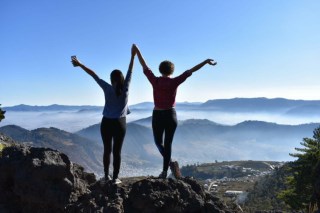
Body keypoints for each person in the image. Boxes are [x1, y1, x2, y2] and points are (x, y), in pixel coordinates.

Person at [133, 44, 217, 179]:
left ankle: (169, 164)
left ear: (160, 70)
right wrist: (205, 62)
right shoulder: (175, 82)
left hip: (158, 115)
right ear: (172, 71)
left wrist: (137, 51)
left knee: (158, 142)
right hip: (171, 115)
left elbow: (144, 66)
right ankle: (166, 171)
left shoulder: (155, 81)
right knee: (168, 143)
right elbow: (191, 71)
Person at [71, 45, 136, 184]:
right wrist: (133, 56)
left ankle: (106, 176)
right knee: (117, 152)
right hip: (120, 123)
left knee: (107, 150)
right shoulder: (125, 89)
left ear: (111, 79)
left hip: (106, 122)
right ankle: (115, 178)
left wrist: (80, 64)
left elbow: (93, 74)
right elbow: (130, 70)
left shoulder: (107, 88)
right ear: (123, 79)